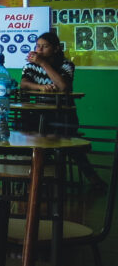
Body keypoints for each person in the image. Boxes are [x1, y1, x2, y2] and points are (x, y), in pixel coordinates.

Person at [20, 31, 105, 191]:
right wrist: (41, 87)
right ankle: (37, 180)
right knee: (33, 139)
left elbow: (64, 86)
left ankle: (89, 179)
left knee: (69, 144)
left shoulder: (66, 65)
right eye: (38, 46)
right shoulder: (31, 65)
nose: (39, 50)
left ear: (56, 48)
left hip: (64, 116)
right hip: (39, 116)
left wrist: (44, 64)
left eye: (44, 47)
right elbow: (23, 84)